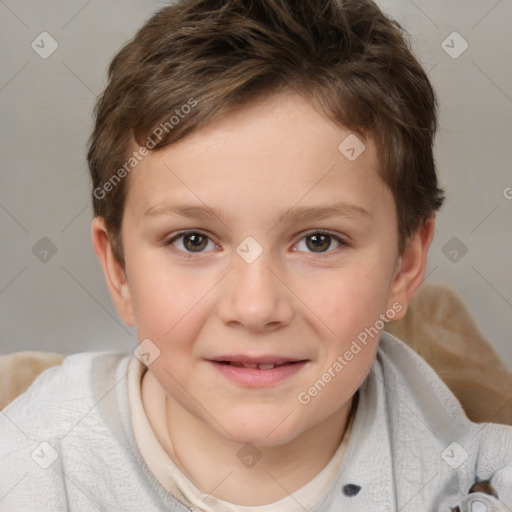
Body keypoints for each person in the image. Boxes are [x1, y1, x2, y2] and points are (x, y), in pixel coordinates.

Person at [1, 0, 511, 510]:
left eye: (318, 241)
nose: (255, 307)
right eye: (193, 241)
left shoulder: (473, 479)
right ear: (119, 272)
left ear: (403, 266)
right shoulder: (33, 467)